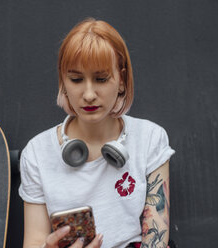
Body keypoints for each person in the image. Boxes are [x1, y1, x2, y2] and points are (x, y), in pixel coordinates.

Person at [19, 18, 175, 248]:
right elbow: (33, 241)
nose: (89, 94)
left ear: (121, 80)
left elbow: (156, 239)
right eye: (76, 79)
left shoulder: (150, 138)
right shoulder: (36, 153)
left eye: (101, 79)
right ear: (63, 81)